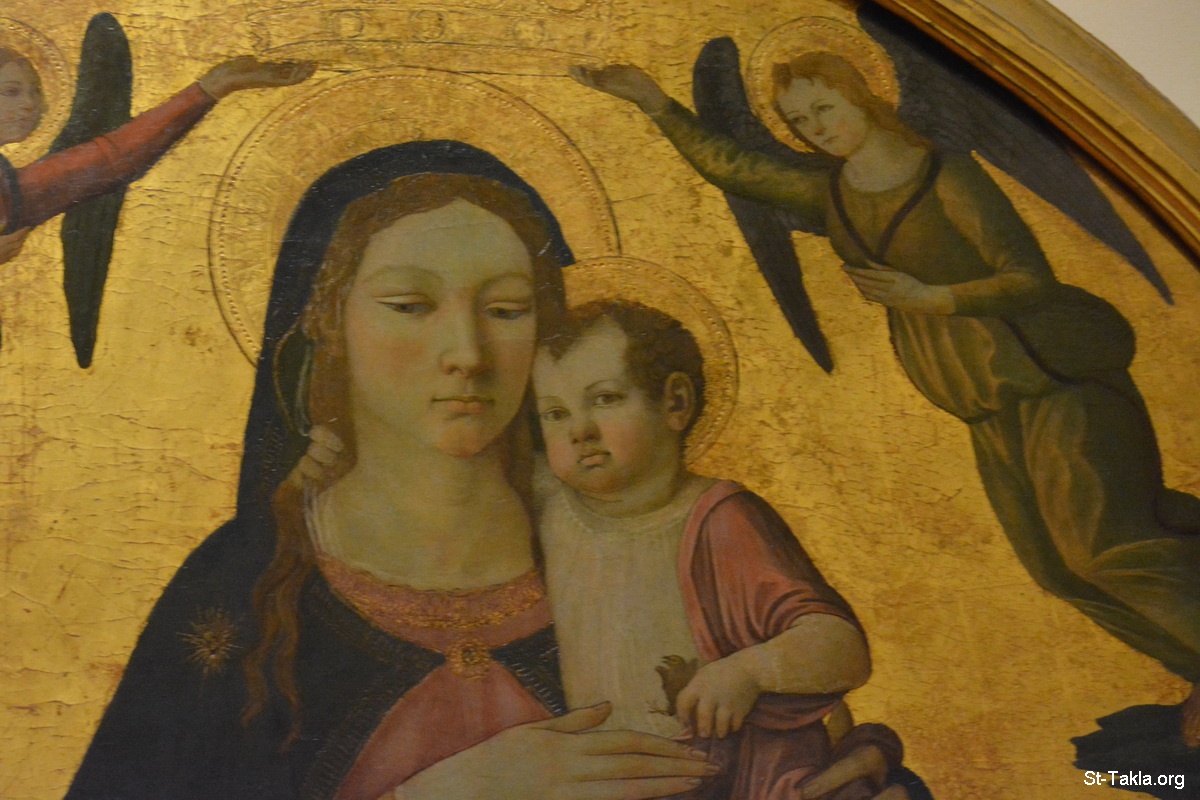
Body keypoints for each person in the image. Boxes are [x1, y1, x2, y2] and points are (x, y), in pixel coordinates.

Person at [571, 53, 1200, 746]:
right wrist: (655, 103)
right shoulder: (836, 194)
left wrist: (936, 297)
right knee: (1057, 571)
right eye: (799, 122)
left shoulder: (944, 174)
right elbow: (737, 169)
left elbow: (1029, 276)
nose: (815, 130)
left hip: (1055, 382)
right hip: (985, 404)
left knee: (1101, 550)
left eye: (824, 109)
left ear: (861, 96)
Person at [65, 144, 719, 800]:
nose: (468, 354)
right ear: (330, 321)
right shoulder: (242, 585)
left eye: (506, 310)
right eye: (409, 305)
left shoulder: (659, 553)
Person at [533, 297, 920, 799]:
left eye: (605, 399)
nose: (579, 430)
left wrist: (748, 671)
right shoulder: (545, 509)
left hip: (727, 776)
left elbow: (843, 647)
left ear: (675, 403)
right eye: (555, 413)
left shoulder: (722, 519)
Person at [0, 49, 314, 262]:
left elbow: (108, 158)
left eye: (35, 92)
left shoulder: (9, 186)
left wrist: (212, 87)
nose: (30, 104)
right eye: (11, 91)